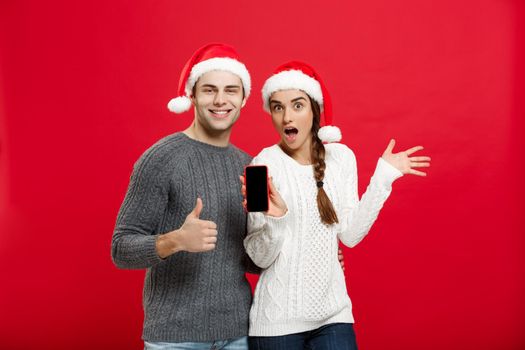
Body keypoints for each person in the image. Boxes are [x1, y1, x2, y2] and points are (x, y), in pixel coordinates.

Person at [241, 61, 431, 349]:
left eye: (297, 105)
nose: (286, 116)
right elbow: (259, 259)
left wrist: (384, 177)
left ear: (314, 110)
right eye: (278, 107)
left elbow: (350, 235)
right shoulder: (259, 167)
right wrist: (277, 219)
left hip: (334, 315)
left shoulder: (341, 157)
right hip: (277, 323)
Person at [111, 43, 254, 349]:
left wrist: (312, 252)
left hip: (240, 332)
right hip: (176, 337)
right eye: (208, 90)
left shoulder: (253, 167)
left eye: (231, 90)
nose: (220, 100)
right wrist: (174, 240)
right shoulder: (161, 158)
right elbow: (120, 248)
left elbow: (256, 256)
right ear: (191, 95)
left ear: (244, 98)